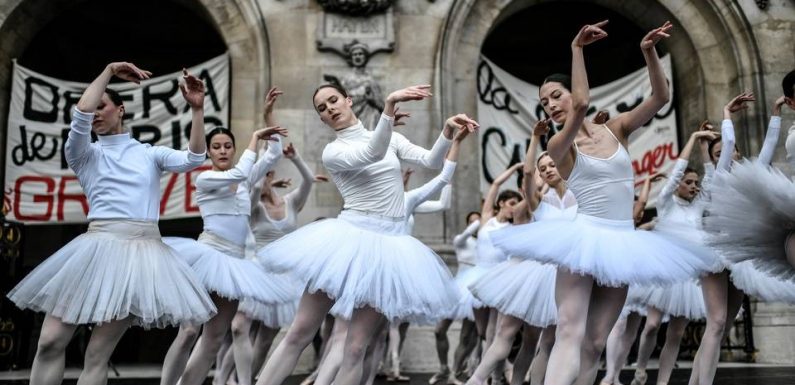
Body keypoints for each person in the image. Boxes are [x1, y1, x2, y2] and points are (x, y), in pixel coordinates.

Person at [489, 21, 714, 385]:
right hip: (584, 237)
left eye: (555, 95)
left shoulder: (617, 128)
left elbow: (661, 97)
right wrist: (577, 49)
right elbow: (581, 103)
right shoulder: (559, 146)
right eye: (544, 102)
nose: (550, 105)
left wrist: (648, 52)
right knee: (569, 330)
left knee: (595, 343)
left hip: (622, 240)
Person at [254, 83, 479, 385]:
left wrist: (447, 132)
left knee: (357, 347)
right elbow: (372, 153)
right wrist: (389, 105)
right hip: (347, 239)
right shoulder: (333, 151)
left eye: (333, 100)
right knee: (299, 332)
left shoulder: (393, 138)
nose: (329, 108)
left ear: (348, 101)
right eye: (322, 108)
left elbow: (430, 162)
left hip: (388, 248)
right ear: (322, 119)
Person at [8, 62, 217, 385]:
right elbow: (80, 113)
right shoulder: (83, 153)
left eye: (102, 106)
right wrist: (109, 70)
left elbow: (194, 158)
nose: (94, 114)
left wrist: (198, 109)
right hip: (94, 251)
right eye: (93, 110)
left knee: (96, 355)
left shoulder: (149, 154)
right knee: (49, 341)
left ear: (120, 109)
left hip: (138, 257)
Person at [160, 119, 293, 385]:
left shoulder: (245, 179)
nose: (222, 151)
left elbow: (274, 154)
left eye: (228, 146)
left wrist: (268, 119)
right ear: (208, 151)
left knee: (214, 339)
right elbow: (240, 172)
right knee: (188, 332)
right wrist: (255, 137)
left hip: (233, 262)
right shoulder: (206, 178)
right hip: (207, 256)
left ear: (233, 150)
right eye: (217, 147)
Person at [212, 87, 327, 385]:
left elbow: (307, 183)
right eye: (262, 175)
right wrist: (266, 117)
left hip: (284, 277)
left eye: (268, 175)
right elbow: (255, 174)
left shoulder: (289, 203)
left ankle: (250, 380)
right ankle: (224, 380)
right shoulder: (254, 206)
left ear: (273, 178)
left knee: (265, 338)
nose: (264, 178)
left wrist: (297, 157)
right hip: (257, 269)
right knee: (239, 327)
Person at [466, 119, 577, 385]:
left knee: (540, 343)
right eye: (543, 167)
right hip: (532, 274)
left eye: (552, 164)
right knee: (505, 334)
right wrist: (534, 139)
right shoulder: (538, 202)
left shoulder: (579, 197)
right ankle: (476, 380)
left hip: (561, 277)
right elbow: (527, 174)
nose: (548, 170)